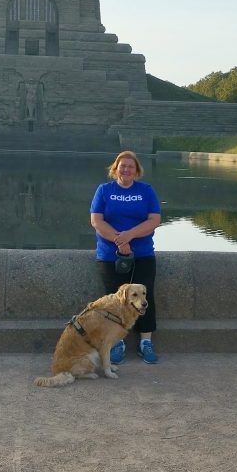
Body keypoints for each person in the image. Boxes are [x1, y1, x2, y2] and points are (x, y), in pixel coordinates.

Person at [89, 150, 161, 364]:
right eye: (123, 166)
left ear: (136, 170)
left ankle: (145, 343)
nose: (126, 170)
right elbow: (96, 221)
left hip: (142, 253)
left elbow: (154, 220)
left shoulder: (146, 191)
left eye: (131, 166)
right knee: (115, 299)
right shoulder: (104, 190)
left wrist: (129, 235)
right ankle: (116, 342)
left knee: (146, 298)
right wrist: (120, 241)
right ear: (115, 169)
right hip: (110, 254)